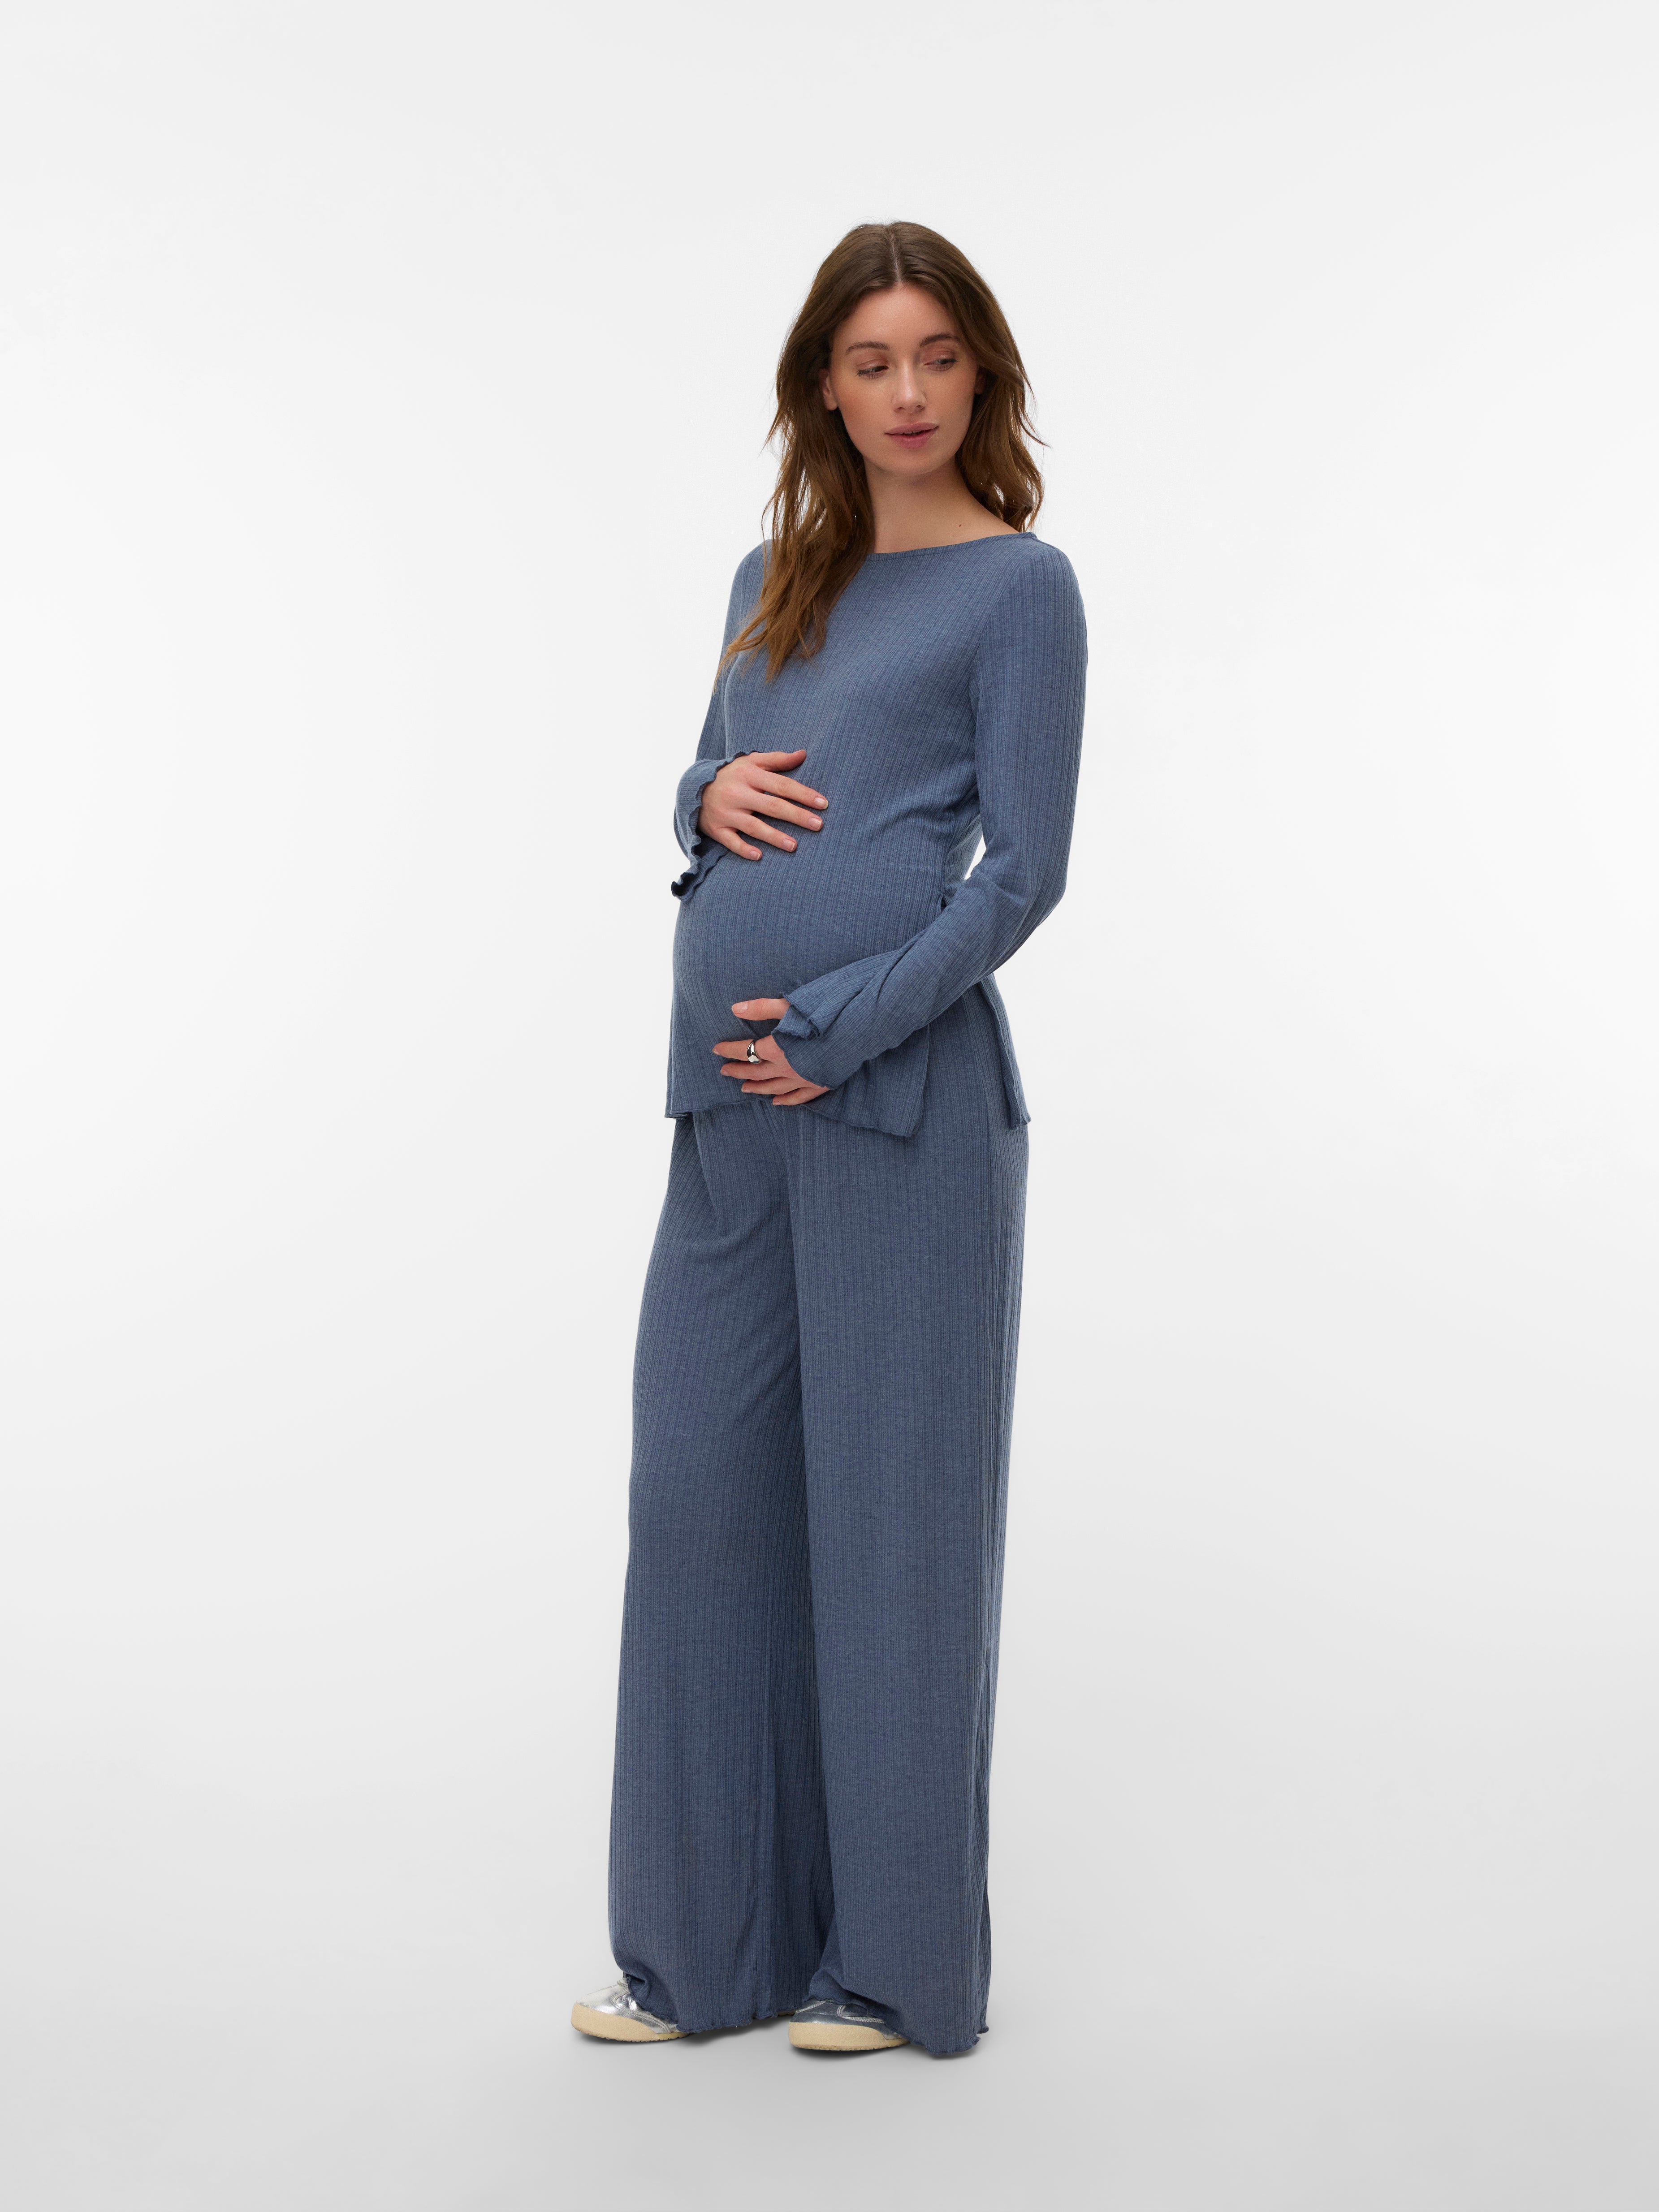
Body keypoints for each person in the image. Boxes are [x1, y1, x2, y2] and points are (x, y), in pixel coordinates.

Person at [573, 220, 1087, 2059]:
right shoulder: (767, 578)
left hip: (897, 1108)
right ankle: (703, 1955)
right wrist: (696, 788)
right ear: (822, 387)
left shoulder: (1020, 589)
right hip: (724, 1105)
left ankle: (891, 1966)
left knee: (891, 1530)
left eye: (936, 355)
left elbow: (1023, 871)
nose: (906, 390)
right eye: (871, 361)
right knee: (697, 1506)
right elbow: (712, 787)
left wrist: (843, 1023)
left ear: (980, 374)